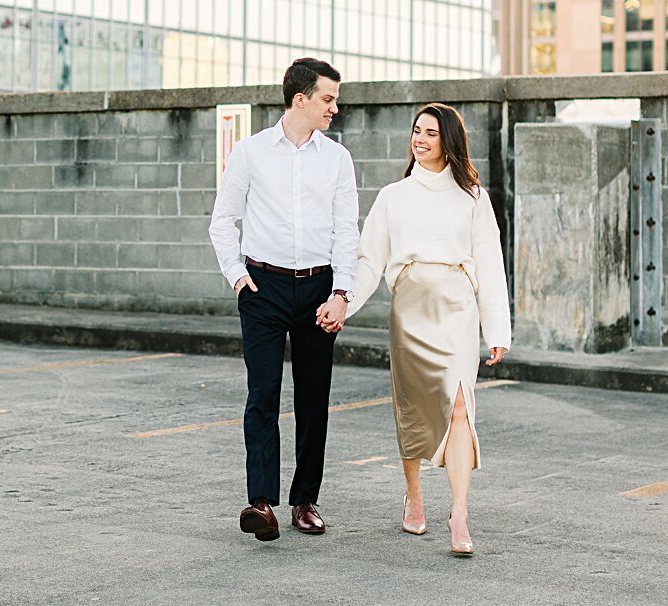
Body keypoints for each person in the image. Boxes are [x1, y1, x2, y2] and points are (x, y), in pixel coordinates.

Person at [329, 102, 510, 556]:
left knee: (460, 408)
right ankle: (413, 496)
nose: (421, 139)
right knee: (411, 408)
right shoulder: (394, 196)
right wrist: (343, 305)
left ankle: (460, 514)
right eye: (416, 131)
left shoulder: (473, 197)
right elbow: (369, 259)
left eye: (430, 132)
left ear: (448, 139)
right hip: (410, 311)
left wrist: (498, 329)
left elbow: (490, 263)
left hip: (457, 311)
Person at [208, 57, 360, 541]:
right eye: (328, 99)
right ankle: (260, 503)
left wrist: (341, 294)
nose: (334, 108)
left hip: (318, 289)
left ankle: (304, 501)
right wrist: (237, 276)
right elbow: (222, 222)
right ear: (301, 99)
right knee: (263, 394)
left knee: (314, 399)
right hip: (263, 288)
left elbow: (345, 233)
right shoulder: (251, 153)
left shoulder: (337, 158)